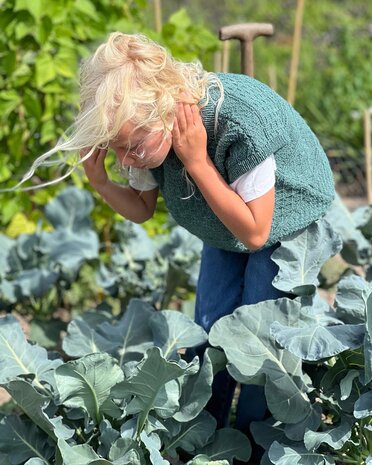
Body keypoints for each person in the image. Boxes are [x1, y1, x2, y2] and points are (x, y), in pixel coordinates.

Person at [20, 32, 336, 462]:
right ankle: (203, 434)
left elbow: (257, 232)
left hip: (282, 222)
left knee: (265, 340)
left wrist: (197, 162)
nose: (126, 159)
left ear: (165, 111)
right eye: (117, 150)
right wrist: (100, 181)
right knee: (209, 325)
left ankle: (256, 444)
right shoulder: (148, 136)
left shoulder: (237, 122)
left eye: (131, 147)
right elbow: (142, 210)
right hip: (222, 222)